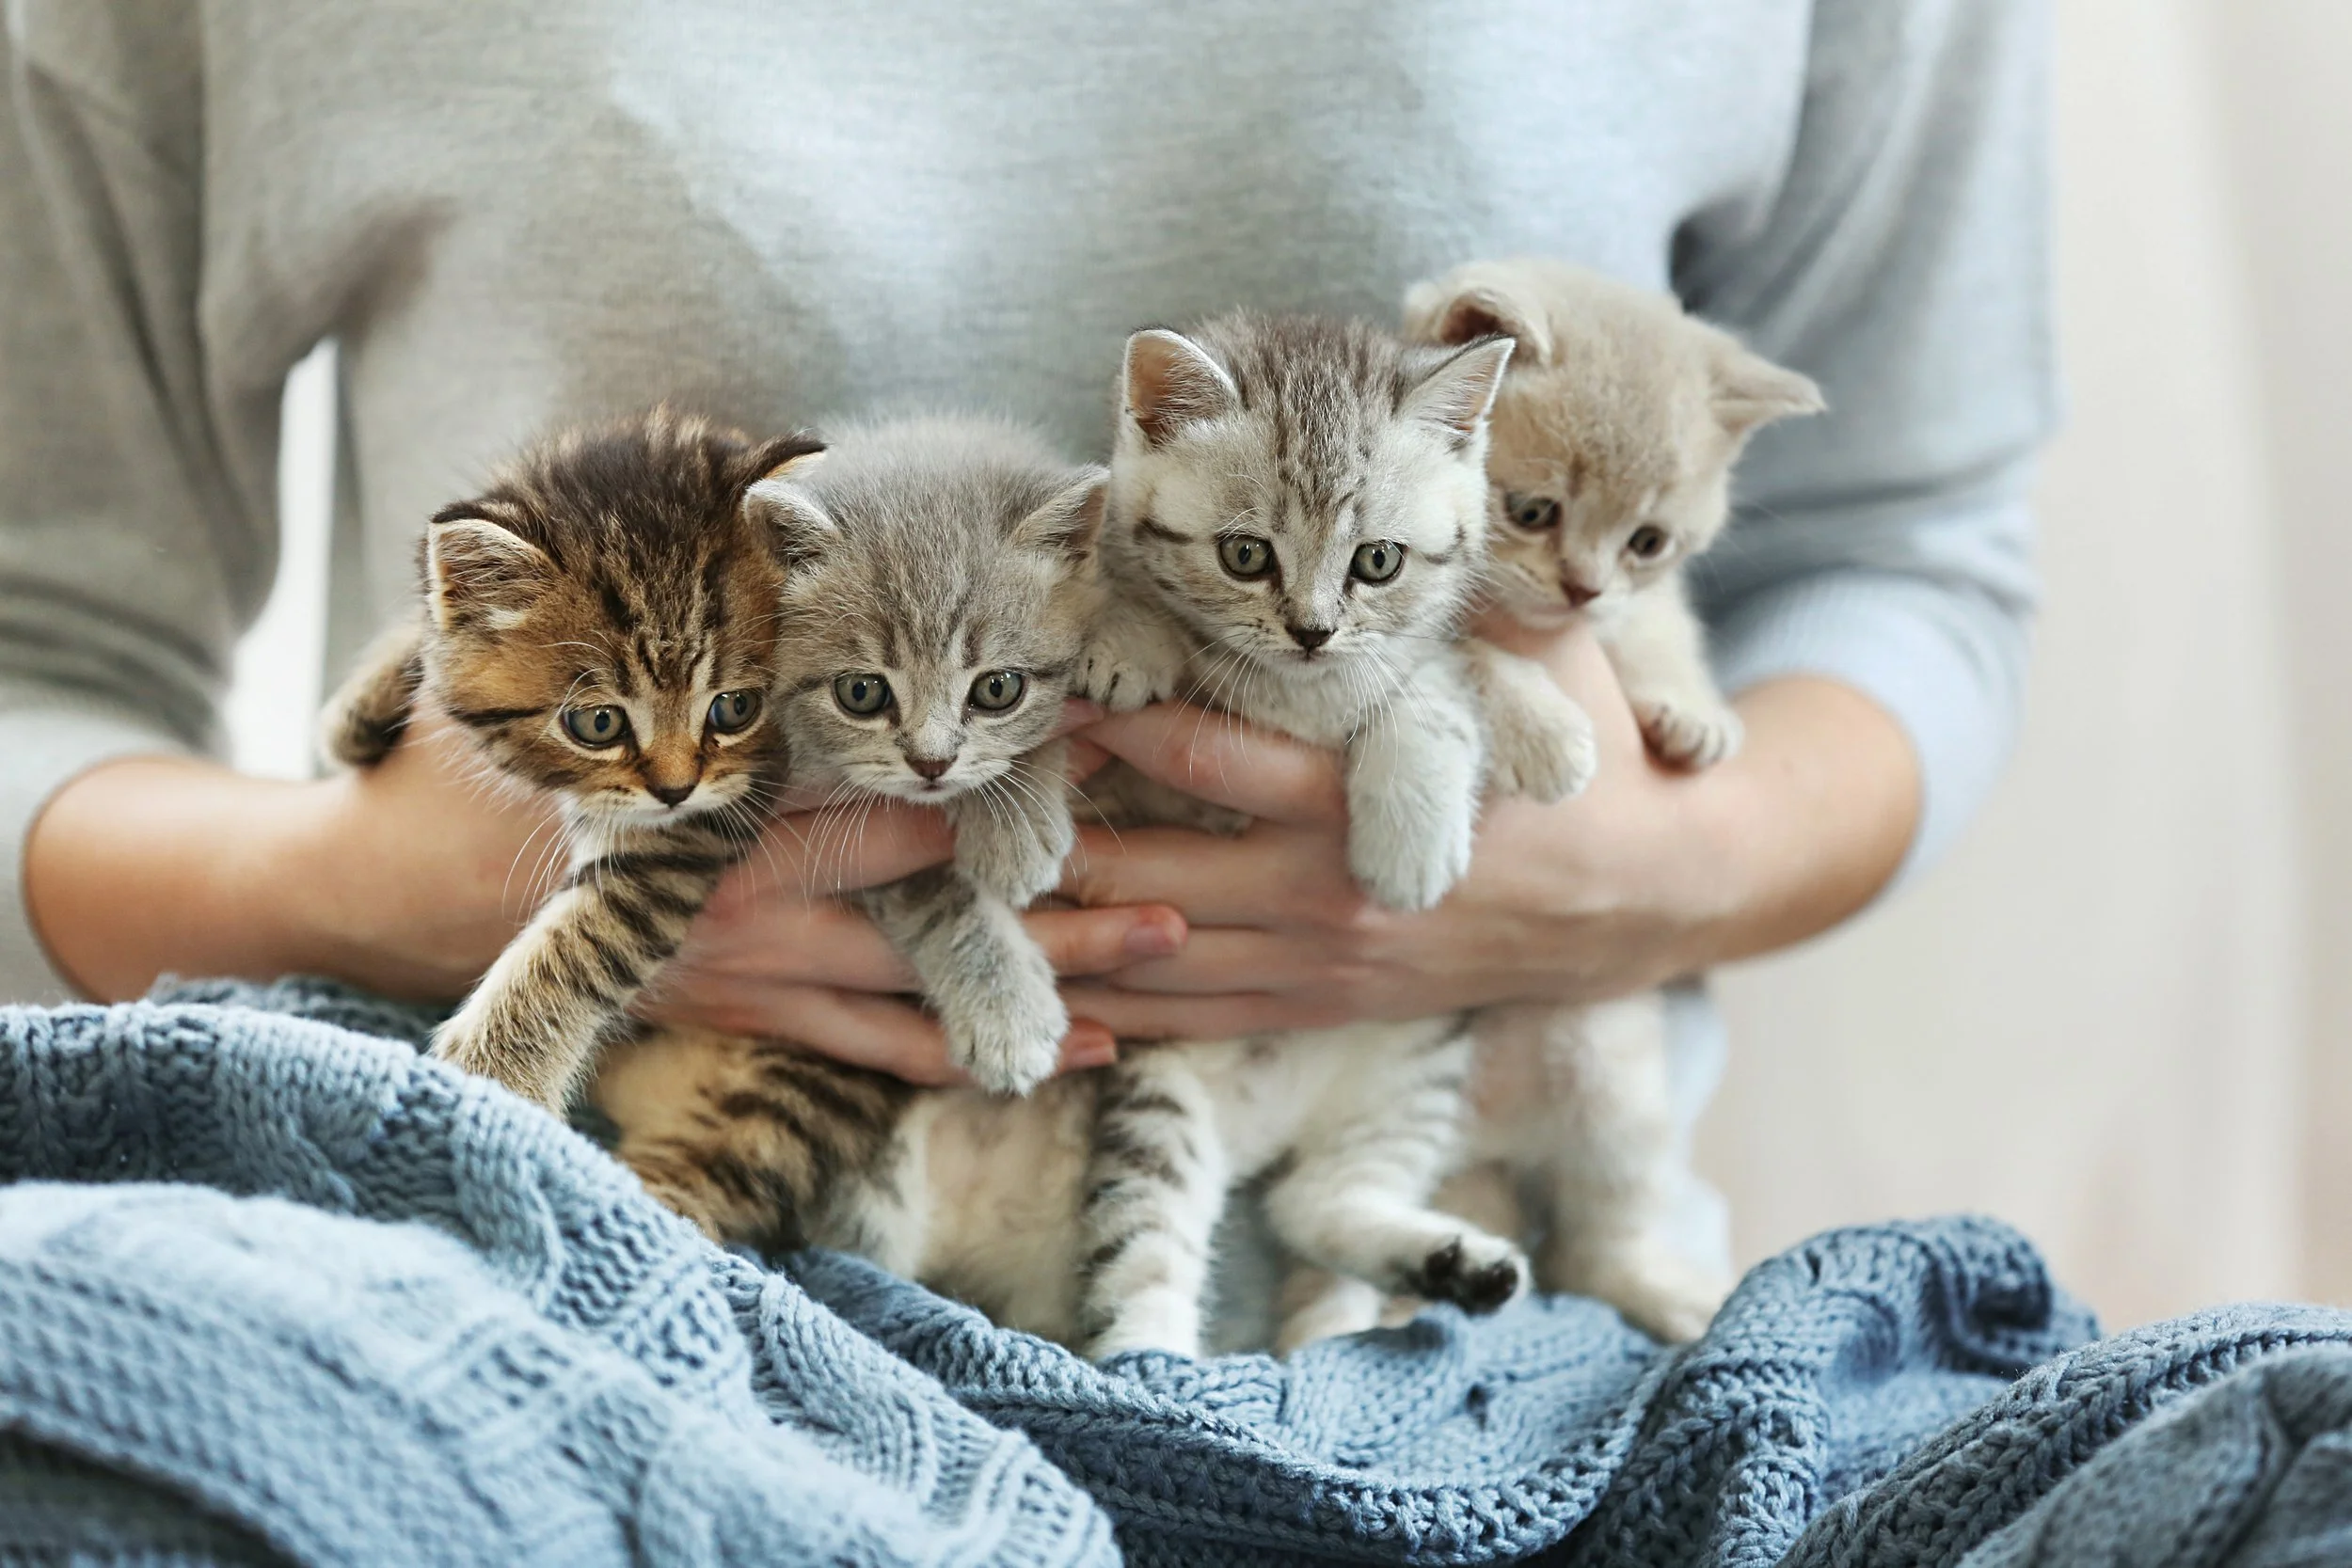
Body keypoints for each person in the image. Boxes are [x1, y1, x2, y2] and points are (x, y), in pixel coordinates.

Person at [1, 1, 2049, 1274]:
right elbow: (37, 640)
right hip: (575, 1255)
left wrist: (1658, 871)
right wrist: (371, 890)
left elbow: (1910, 541)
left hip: (1462, 1292)